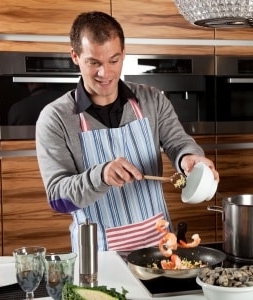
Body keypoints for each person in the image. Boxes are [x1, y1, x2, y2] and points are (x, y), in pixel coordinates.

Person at [36, 11, 219, 252]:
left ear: (123, 54)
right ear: (75, 57)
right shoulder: (55, 118)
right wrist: (100, 176)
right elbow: (58, 200)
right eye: (94, 63)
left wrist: (188, 157)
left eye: (113, 60)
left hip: (160, 247)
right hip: (98, 255)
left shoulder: (151, 99)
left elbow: (178, 142)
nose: (106, 73)